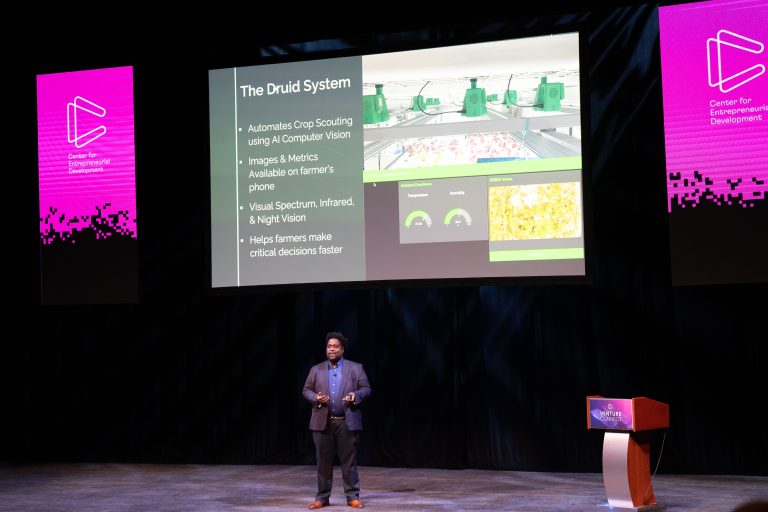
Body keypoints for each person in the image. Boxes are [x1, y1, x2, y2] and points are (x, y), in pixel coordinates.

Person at [302, 331, 372, 509]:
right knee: (323, 463)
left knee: (349, 462)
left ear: (342, 349)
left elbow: (366, 389)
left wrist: (355, 396)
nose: (331, 349)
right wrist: (316, 398)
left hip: (346, 421)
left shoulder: (355, 368)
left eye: (335, 347)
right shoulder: (316, 369)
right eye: (329, 346)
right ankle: (322, 497)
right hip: (323, 422)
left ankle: (352, 496)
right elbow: (306, 390)